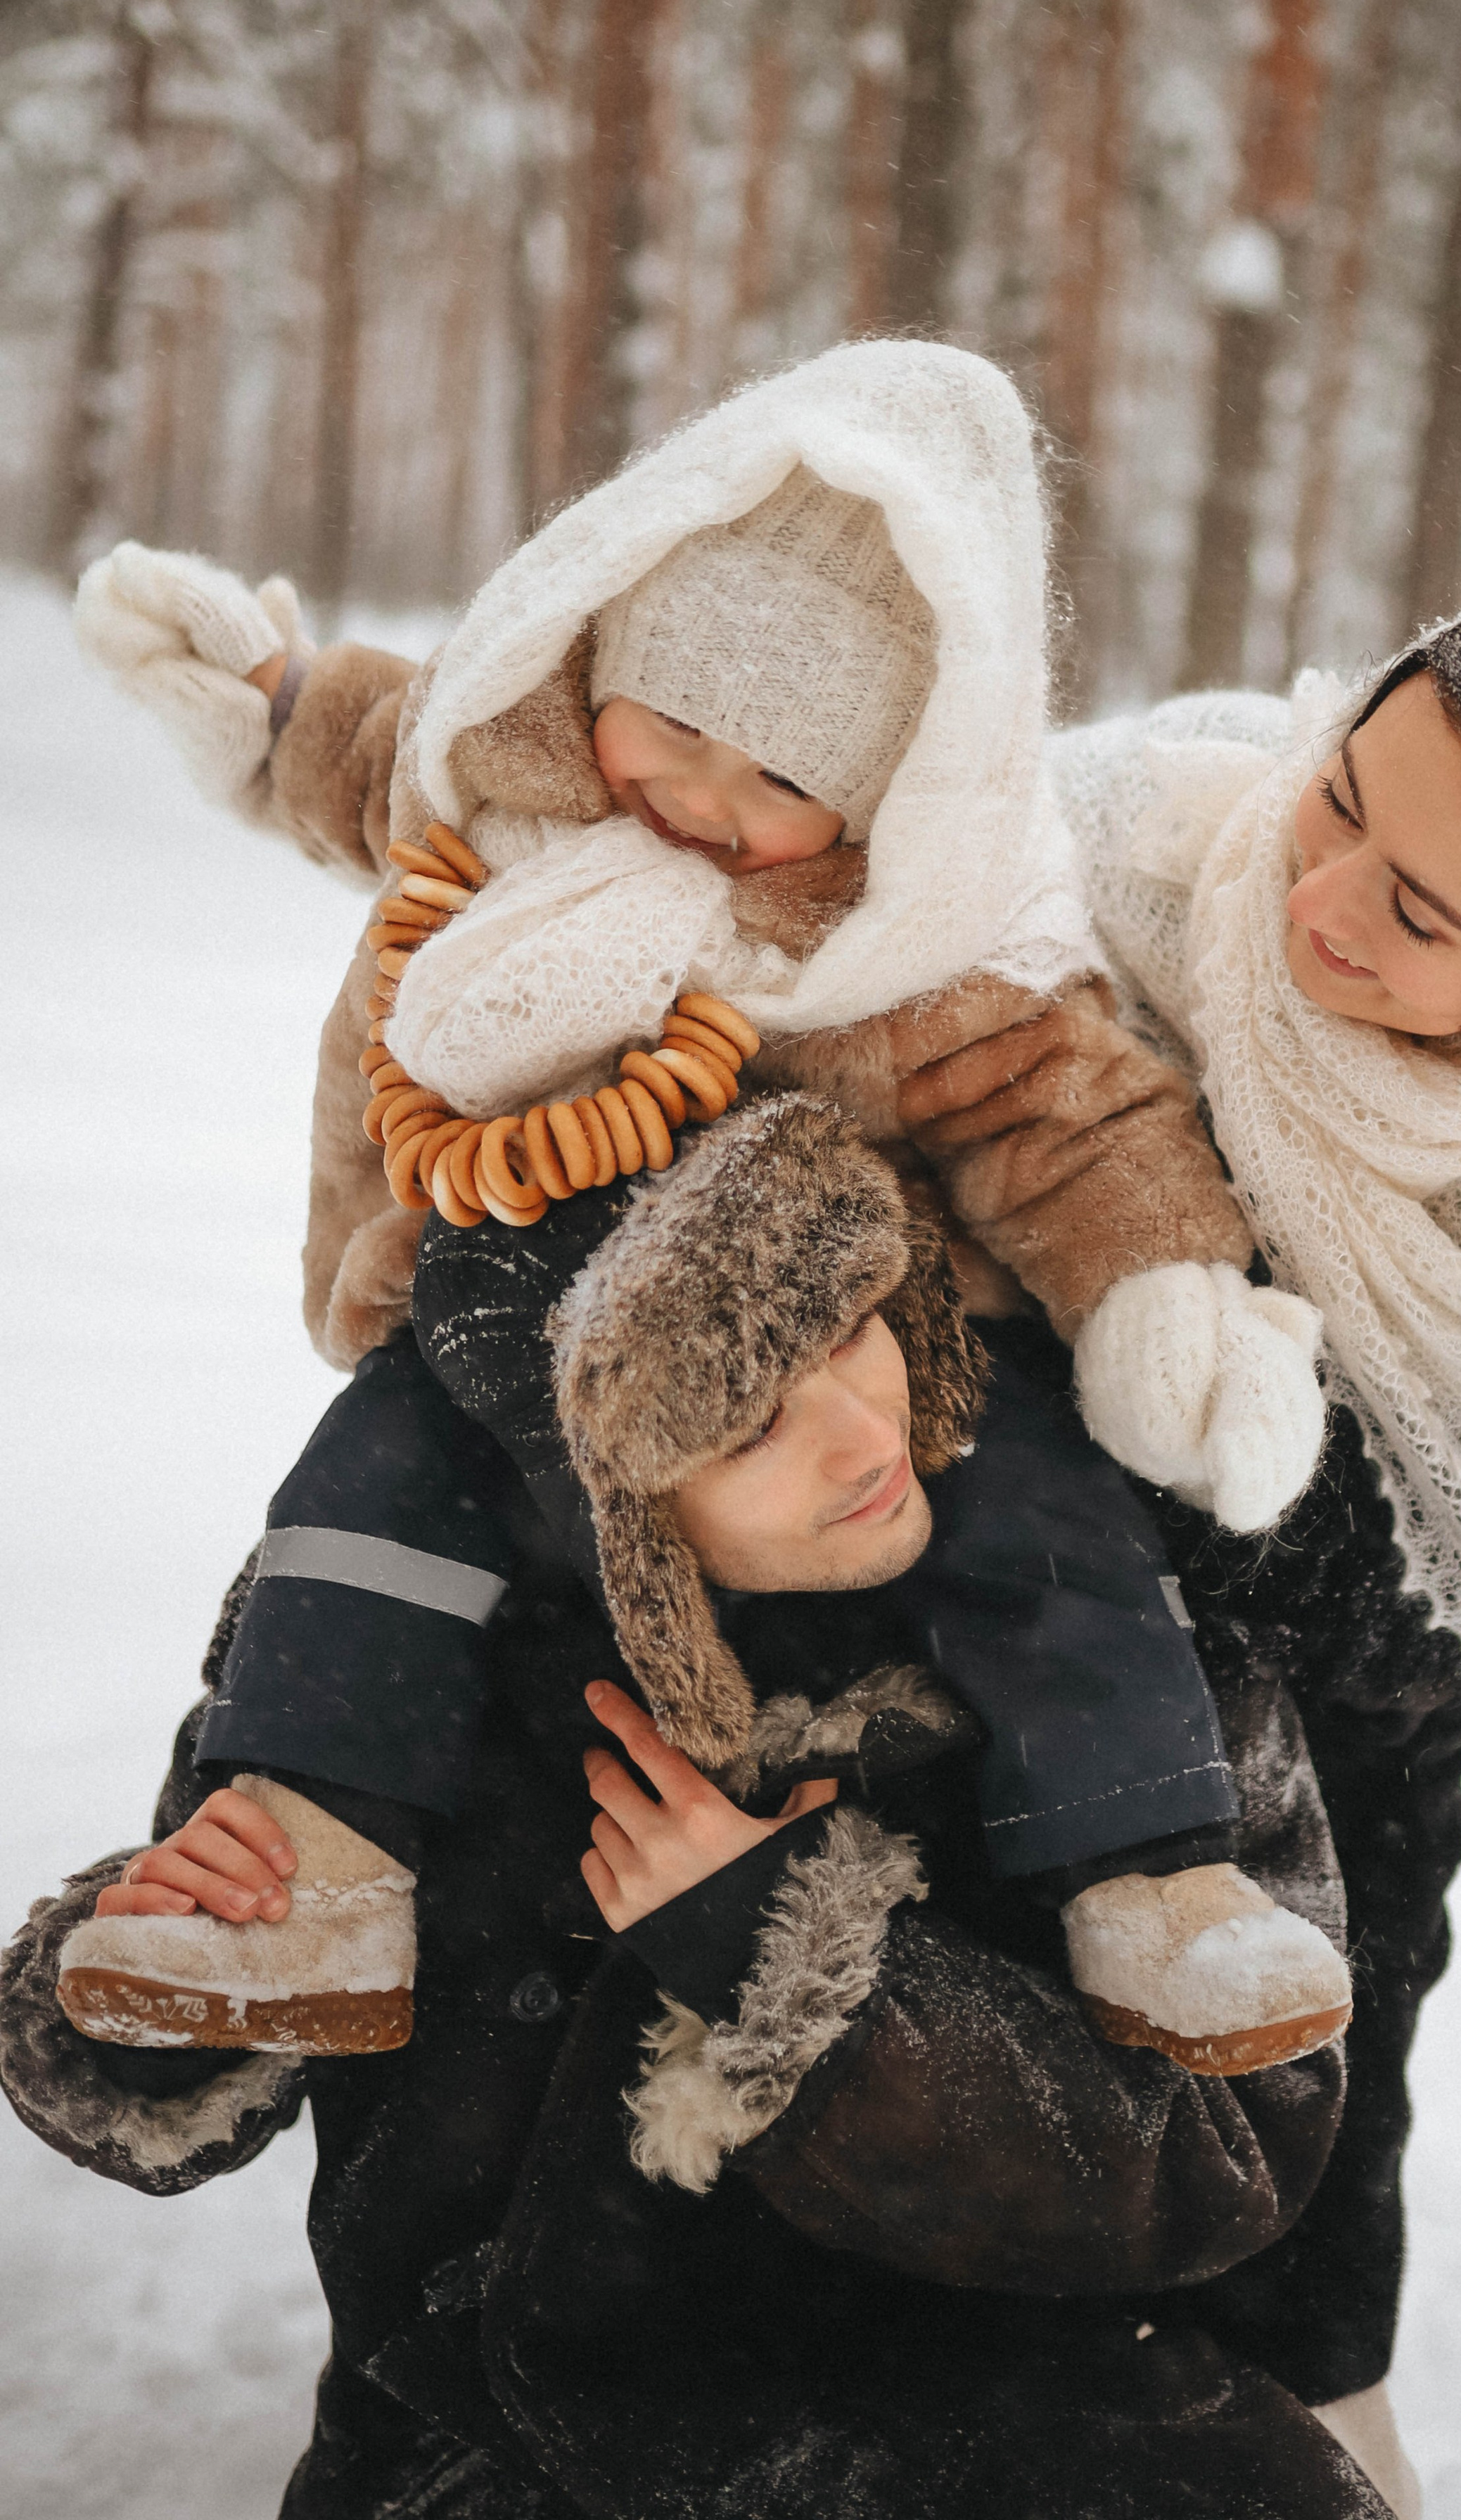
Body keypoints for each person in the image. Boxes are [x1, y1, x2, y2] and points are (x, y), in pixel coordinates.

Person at [67, 340, 1339, 2068]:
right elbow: (380, 751)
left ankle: (1153, 1879)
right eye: (673, 728)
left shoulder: (909, 947)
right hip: (517, 1314)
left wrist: (1159, 1289)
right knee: (378, 1495)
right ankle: (314, 1857)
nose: (704, 806)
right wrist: (273, 697)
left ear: (880, 800)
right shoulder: (517, 779)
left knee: (1043, 1520)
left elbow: (1061, 1112)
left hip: (863, 1344)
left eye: (786, 784)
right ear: (604, 660)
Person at [2, 1102, 1386, 2520]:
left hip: (1010, 2432)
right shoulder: (391, 1654)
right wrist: (156, 1983)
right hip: (499, 2448)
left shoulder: (1124, 1649)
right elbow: (176, 2077)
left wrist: (793, 1971)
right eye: (750, 1419)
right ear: (594, 1483)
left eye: (852, 1328)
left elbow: (1230, 2153)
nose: (865, 1435)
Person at [894, 573, 1461, 2504]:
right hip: (948, 1582)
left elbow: (1418, 1619)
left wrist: (1150, 1354)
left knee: (1280, 2159)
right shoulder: (1161, 824)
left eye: (1421, 913)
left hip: (1324, 1735)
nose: (1318, 900)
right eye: (1346, 798)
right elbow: (871, 937)